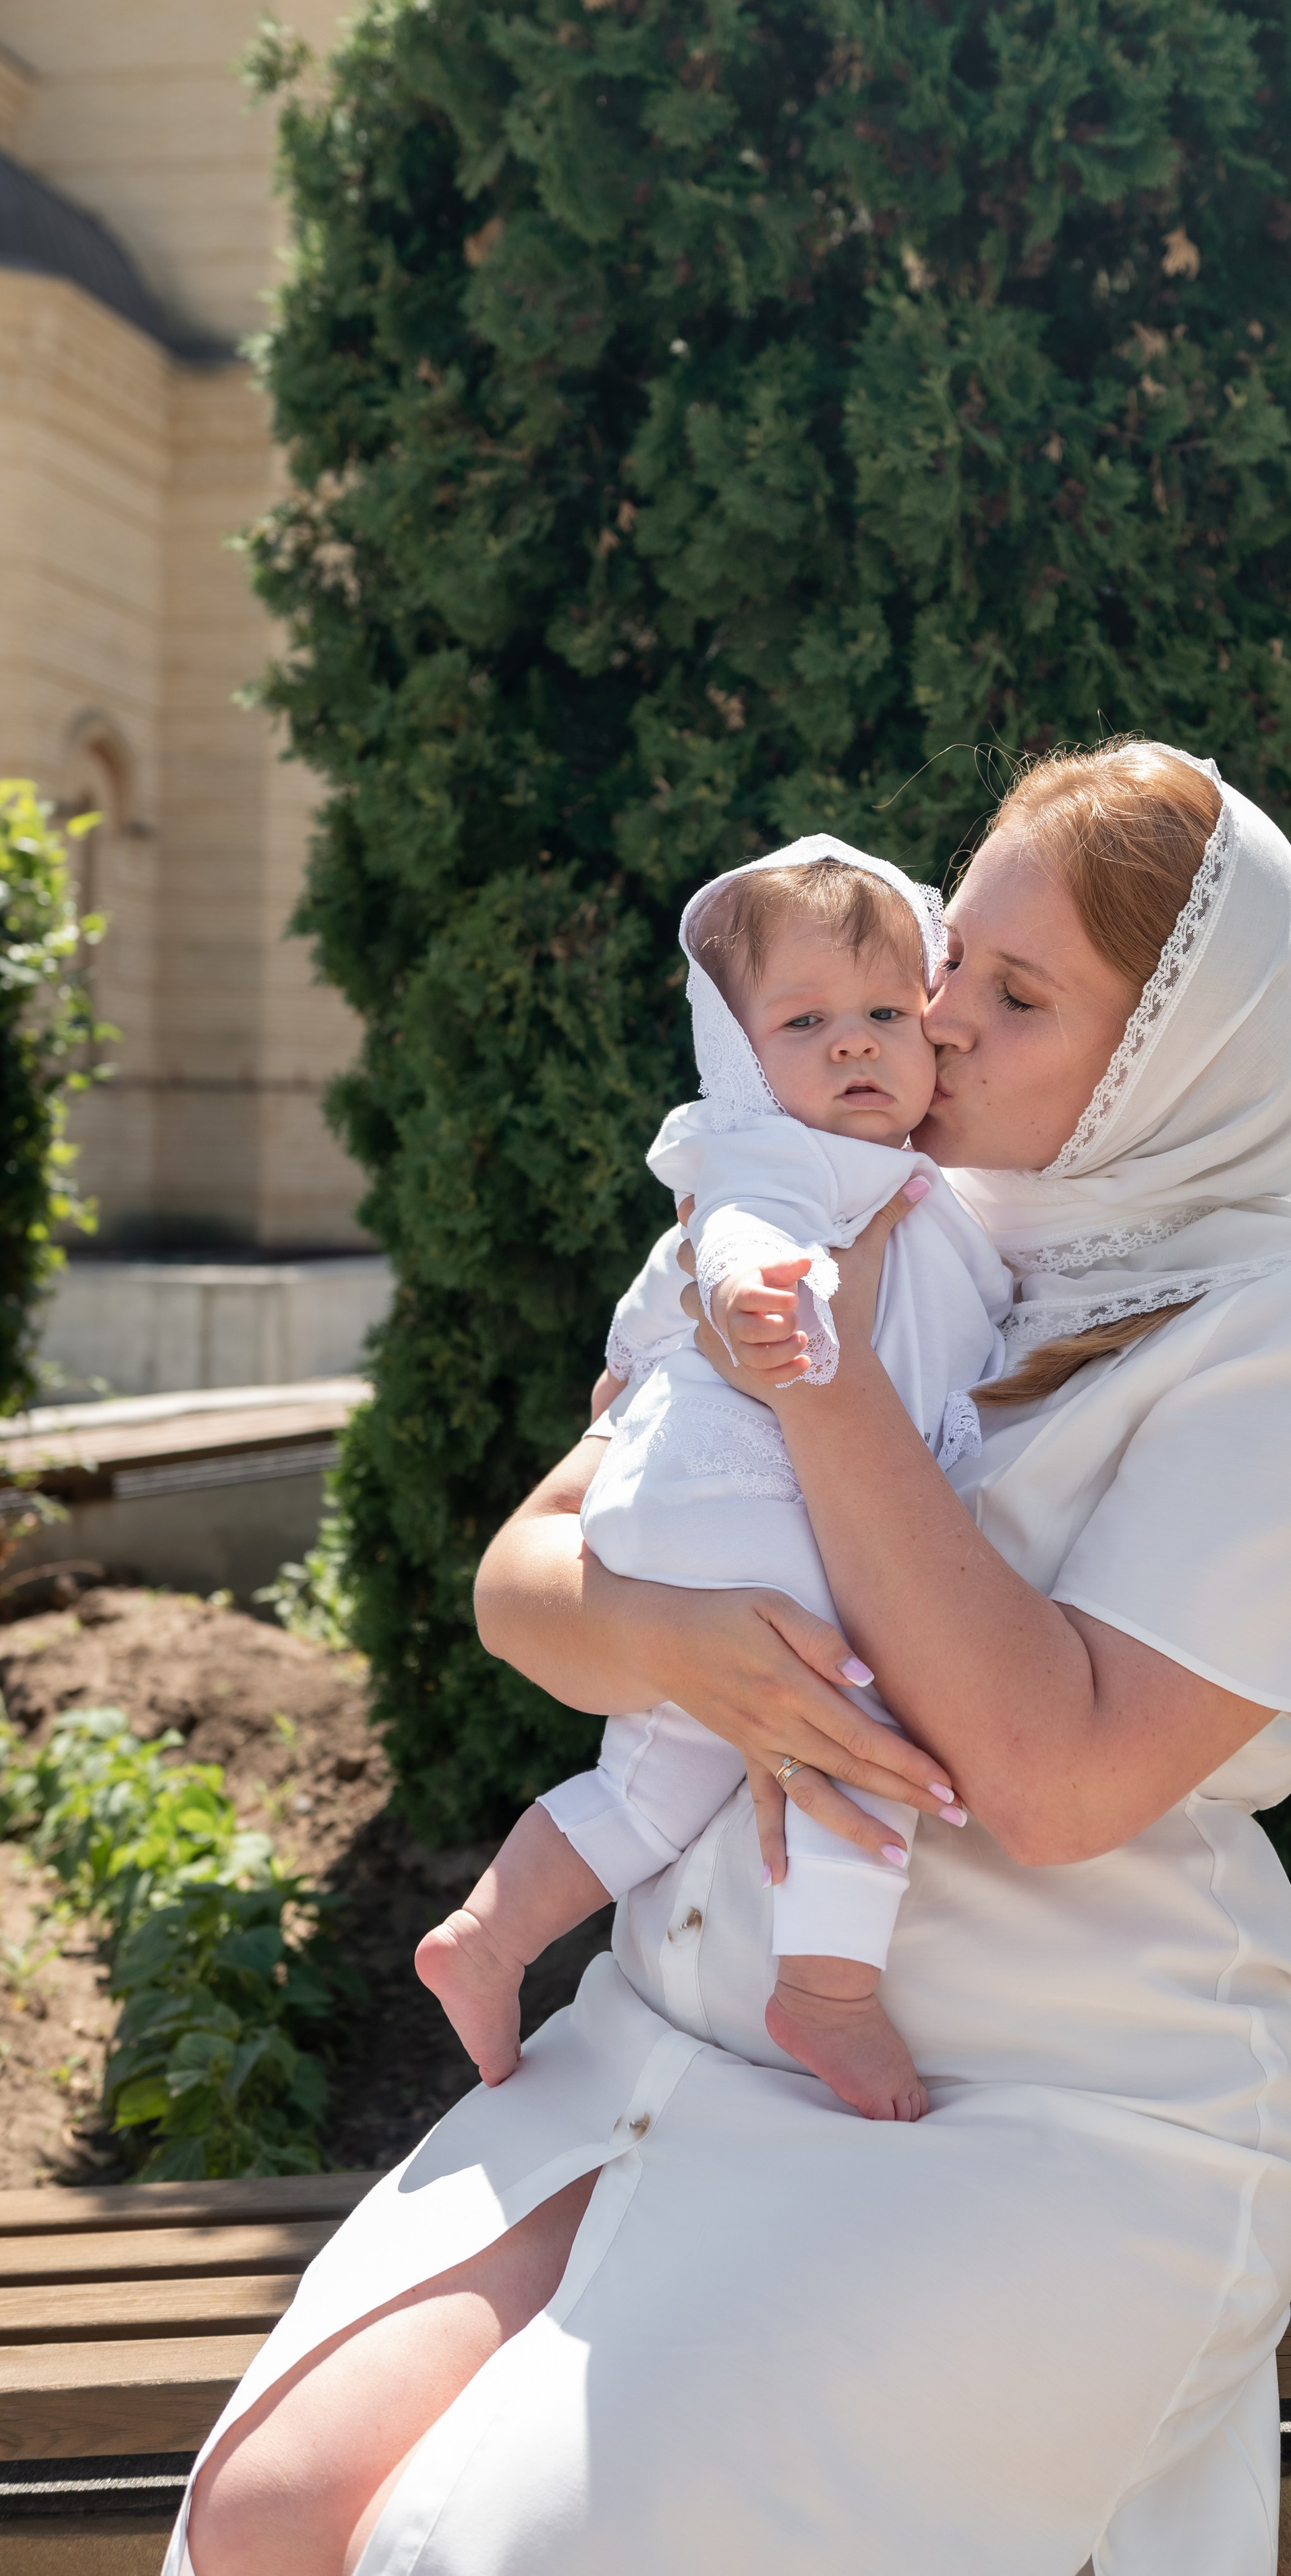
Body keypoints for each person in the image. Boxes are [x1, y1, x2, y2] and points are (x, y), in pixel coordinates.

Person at [177, 738, 1291, 2576]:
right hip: (675, 2040)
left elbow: (1057, 1781)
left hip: (1041, 2113)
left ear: (1178, 1059)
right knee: (264, 2515)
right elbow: (525, 1580)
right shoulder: (843, 1206)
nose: (935, 1022)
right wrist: (686, 1643)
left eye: (1016, 995)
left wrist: (818, 1373)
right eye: (948, 964)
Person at [414, 838, 1008, 2122]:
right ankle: (830, 1991)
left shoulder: (914, 1174)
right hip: (746, 1481)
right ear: (739, 1058)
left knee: (659, 1777)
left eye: (887, 1015)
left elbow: (652, 1309)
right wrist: (753, 1305)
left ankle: (489, 1933)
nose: (855, 1046)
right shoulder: (782, 1158)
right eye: (805, 1022)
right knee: (866, 1689)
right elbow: (735, 1238)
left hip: (708, 1511)